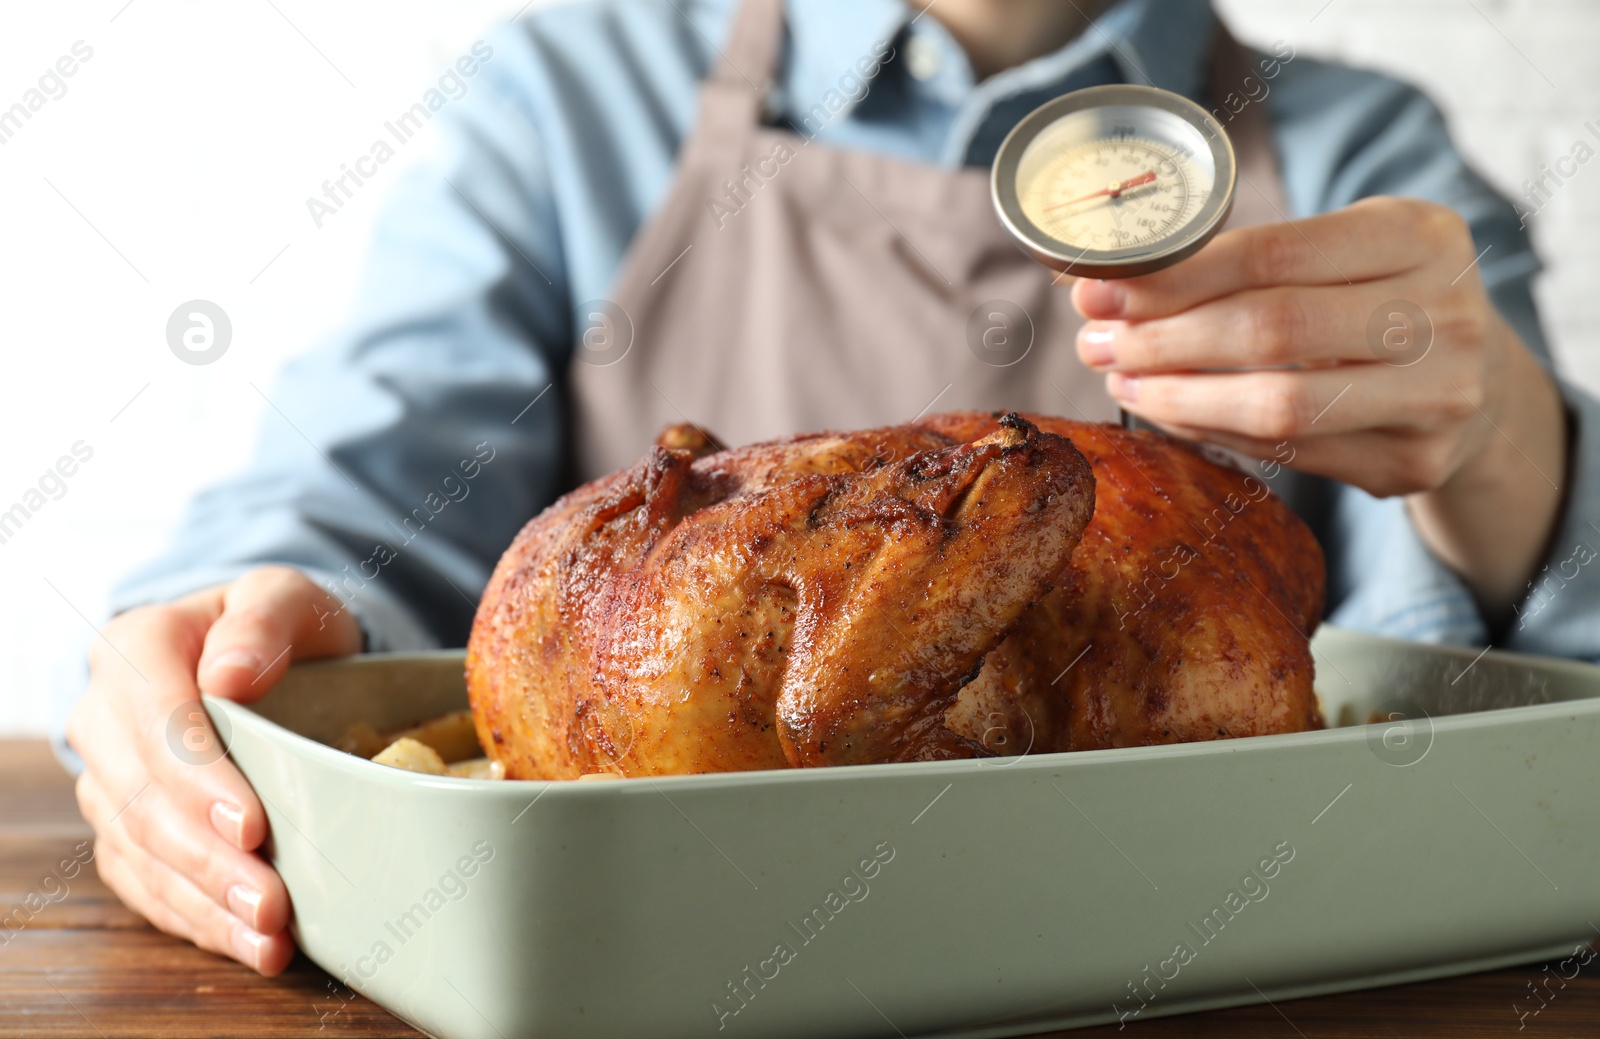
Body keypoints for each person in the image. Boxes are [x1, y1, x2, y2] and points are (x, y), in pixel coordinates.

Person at [62, 0, 1600, 976]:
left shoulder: (1356, 143)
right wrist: (238, 630)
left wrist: (1505, 441)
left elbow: (1468, 705)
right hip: (647, 946)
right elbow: (357, 498)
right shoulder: (571, 88)